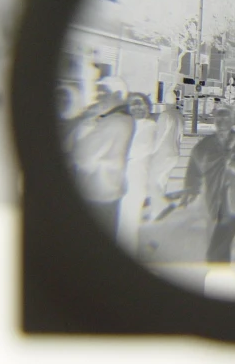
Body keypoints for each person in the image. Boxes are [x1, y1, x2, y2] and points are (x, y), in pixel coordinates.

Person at [183, 105, 235, 263]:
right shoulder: (205, 144)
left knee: (220, 242)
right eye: (219, 118)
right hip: (211, 197)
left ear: (232, 121)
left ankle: (217, 268)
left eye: (226, 118)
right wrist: (191, 188)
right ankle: (218, 269)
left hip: (234, 198)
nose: (222, 121)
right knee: (212, 236)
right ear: (214, 121)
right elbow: (194, 167)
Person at [65, 76, 134, 238]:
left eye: (103, 93)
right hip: (108, 189)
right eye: (98, 93)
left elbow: (81, 156)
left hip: (98, 192)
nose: (98, 97)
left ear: (117, 95)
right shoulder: (122, 119)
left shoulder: (114, 122)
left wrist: (83, 121)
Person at [117, 92, 158, 254]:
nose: (137, 107)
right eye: (133, 104)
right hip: (118, 178)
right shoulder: (127, 123)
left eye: (140, 103)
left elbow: (142, 148)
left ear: (147, 107)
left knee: (128, 223)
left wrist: (118, 151)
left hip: (135, 179)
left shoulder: (149, 126)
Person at [148, 87, 184, 222]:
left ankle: (162, 205)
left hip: (163, 153)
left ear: (165, 101)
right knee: (162, 181)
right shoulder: (179, 116)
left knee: (152, 180)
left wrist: (152, 152)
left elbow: (160, 136)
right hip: (175, 153)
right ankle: (155, 212)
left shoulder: (165, 115)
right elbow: (181, 136)